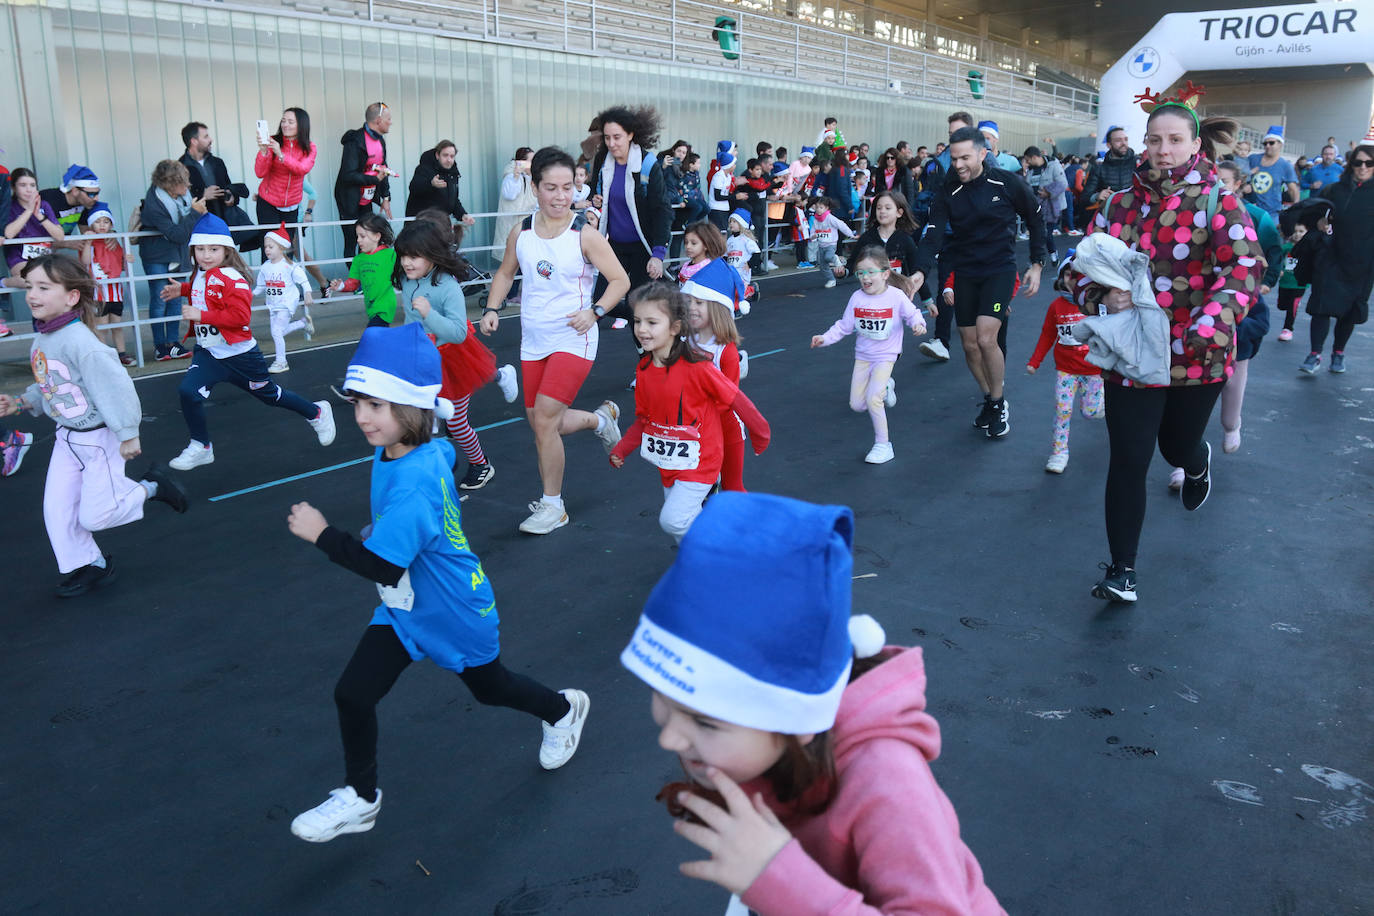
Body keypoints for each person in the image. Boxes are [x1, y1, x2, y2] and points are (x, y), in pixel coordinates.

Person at [620, 491, 1005, 916]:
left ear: (796, 722)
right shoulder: (770, 748)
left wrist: (777, 879)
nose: (670, 737)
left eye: (705, 722)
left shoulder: (887, 785)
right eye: (663, 697)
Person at [285, 322, 590, 843]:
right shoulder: (406, 449)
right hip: (405, 605)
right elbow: (442, 461)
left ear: (410, 408)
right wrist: (385, 532)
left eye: (376, 406)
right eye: (358, 402)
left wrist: (323, 535)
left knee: (491, 689)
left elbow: (380, 565)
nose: (361, 416)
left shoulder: (415, 481)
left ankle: (564, 709)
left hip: (453, 606)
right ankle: (360, 798)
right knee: (353, 694)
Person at [1073, 88, 1255, 603]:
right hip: (1132, 354)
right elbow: (1081, 264)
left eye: (1175, 140)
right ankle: (1121, 570)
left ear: (1195, 143)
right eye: (1155, 140)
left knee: (1174, 446)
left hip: (1197, 358)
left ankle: (1196, 461)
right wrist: (1099, 297)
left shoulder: (1218, 199)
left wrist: (1203, 331)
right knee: (1128, 458)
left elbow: (1244, 270)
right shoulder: (1118, 203)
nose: (1163, 150)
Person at [0, 256, 188, 598]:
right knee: (57, 511)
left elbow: (117, 389)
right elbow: (51, 383)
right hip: (66, 439)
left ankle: (152, 487)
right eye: (29, 287)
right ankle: (89, 565)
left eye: (44, 287)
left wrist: (128, 433)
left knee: (95, 516)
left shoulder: (83, 344)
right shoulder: (42, 338)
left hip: (98, 439)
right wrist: (21, 402)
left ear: (71, 297)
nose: (32, 294)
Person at [480, 146, 629, 535]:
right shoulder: (523, 231)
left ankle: (552, 506)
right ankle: (601, 419)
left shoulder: (585, 235)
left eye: (568, 187)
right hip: (534, 340)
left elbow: (620, 280)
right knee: (541, 423)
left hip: (574, 338)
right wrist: (493, 308)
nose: (561, 196)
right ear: (535, 188)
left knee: (545, 419)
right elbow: (505, 273)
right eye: (551, 188)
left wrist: (595, 312)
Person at [162, 213, 335, 471]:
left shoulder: (234, 279)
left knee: (270, 396)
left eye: (213, 249)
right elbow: (204, 288)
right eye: (200, 249)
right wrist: (184, 289)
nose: (206, 255)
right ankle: (201, 446)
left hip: (241, 356)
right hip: (209, 353)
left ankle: (317, 413)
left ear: (226, 250)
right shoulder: (200, 272)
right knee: (188, 391)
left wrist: (202, 315)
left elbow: (240, 318)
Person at [608, 284, 769, 542]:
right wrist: (622, 448)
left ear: (674, 327)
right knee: (681, 527)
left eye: (651, 322)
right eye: (637, 321)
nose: (641, 329)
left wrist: (760, 433)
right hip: (670, 464)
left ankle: (721, 546)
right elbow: (644, 418)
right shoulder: (644, 370)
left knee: (673, 520)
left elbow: (735, 398)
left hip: (702, 461)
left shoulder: (698, 368)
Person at [913, 127, 1046, 439]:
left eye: (965, 158)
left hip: (999, 270)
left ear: (983, 154)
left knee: (987, 339)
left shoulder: (1006, 182)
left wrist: (1037, 264)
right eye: (953, 158)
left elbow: (1036, 217)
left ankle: (999, 403)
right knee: (970, 344)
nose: (958, 164)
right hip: (967, 272)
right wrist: (920, 271)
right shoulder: (948, 191)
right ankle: (989, 398)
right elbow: (933, 232)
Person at [393, 220, 499, 491]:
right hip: (420, 357)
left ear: (431, 255)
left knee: (457, 421)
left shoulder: (448, 287)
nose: (406, 262)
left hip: (451, 359)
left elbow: (458, 332)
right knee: (417, 418)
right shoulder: (408, 280)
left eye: (414, 256)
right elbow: (409, 318)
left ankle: (481, 464)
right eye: (403, 255)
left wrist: (430, 313)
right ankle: (434, 467)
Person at [811, 245, 925, 465]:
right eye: (860, 273)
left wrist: (918, 324)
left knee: (873, 400)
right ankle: (886, 388)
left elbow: (912, 314)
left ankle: (883, 445)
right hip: (863, 356)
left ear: (885, 274)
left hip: (886, 355)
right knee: (857, 404)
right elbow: (844, 326)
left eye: (870, 272)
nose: (865, 278)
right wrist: (825, 338)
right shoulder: (857, 298)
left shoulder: (896, 296)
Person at [1209, 160, 1279, 455]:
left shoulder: (1258, 216)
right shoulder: (1203, 210)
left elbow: (1273, 250)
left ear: (1238, 184)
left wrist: (1267, 281)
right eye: (1215, 180)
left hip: (1241, 315)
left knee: (1233, 390)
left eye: (1225, 181)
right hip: (1205, 319)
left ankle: (1231, 424)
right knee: (1189, 402)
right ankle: (1184, 459)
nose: (1219, 186)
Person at [589, 105, 670, 330]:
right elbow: (596, 192)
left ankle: (648, 351)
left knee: (639, 308)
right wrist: (595, 202)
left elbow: (662, 209)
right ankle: (648, 315)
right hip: (614, 244)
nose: (612, 143)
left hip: (643, 247)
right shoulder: (603, 160)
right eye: (607, 138)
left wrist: (658, 255)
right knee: (601, 302)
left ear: (631, 135)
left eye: (617, 137)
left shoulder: (647, 164)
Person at [1297, 142, 1374, 375]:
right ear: (1351, 164)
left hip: (1362, 262)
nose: (1363, 167)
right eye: (1358, 162)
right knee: (1321, 306)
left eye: (1369, 163)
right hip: (1331, 257)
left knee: (1349, 311)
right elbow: (1313, 212)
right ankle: (1315, 353)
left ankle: (1338, 353)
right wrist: (1318, 222)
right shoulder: (1335, 189)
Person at [1026, 260, 1104, 474]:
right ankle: (1059, 452)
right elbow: (1047, 335)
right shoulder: (1056, 307)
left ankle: (1099, 402)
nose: (1074, 280)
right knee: (1062, 410)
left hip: (1094, 371)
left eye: (1080, 276)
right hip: (1066, 370)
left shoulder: (1097, 304)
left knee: (1090, 412)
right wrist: (1035, 362)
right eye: (1070, 275)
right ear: (1062, 278)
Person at [682, 259, 750, 491]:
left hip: (726, 430)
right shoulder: (683, 342)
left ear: (718, 308)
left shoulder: (726, 351)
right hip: (693, 430)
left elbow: (729, 398)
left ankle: (744, 525)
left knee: (732, 487)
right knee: (697, 488)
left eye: (699, 302)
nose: (691, 307)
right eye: (689, 300)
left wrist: (696, 411)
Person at [139, 160, 206, 360]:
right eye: (182, 183)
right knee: (160, 300)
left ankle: (174, 342)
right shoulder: (154, 204)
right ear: (169, 183)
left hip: (178, 255)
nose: (187, 187)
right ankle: (161, 346)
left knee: (177, 298)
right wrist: (195, 213)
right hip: (157, 256)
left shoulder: (183, 197)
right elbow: (177, 234)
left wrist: (194, 212)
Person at [334, 102, 395, 258]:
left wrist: (386, 197)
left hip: (367, 199)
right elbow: (347, 175)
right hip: (349, 199)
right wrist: (374, 180)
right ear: (378, 120)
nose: (391, 122)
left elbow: (383, 169)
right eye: (388, 118)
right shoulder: (355, 141)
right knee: (352, 240)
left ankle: (366, 277)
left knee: (367, 239)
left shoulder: (380, 140)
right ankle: (355, 280)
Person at [254, 107, 317, 254]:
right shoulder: (273, 142)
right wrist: (264, 151)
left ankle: (285, 277)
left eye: (290, 122)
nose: (285, 125)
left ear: (301, 125)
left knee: (286, 247)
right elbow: (260, 172)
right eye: (283, 121)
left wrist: (281, 155)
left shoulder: (310, 147)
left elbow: (302, 169)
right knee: (269, 248)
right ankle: (267, 277)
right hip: (268, 202)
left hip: (292, 205)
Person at [253, 223, 314, 373]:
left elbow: (304, 281)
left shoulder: (290, 266)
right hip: (273, 304)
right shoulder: (265, 266)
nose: (267, 249)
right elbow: (260, 287)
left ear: (281, 247)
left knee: (276, 332)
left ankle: (281, 362)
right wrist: (249, 294)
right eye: (266, 246)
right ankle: (302, 322)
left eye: (271, 246)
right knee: (279, 331)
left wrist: (307, 293)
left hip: (287, 303)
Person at [179, 122, 253, 241]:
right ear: (194, 141)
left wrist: (231, 197)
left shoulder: (217, 162)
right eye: (206, 136)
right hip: (199, 230)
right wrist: (203, 195)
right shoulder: (180, 167)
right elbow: (179, 201)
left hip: (223, 227)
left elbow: (227, 186)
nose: (210, 139)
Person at [80, 202, 134, 366]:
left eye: (106, 222)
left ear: (111, 224)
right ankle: (104, 356)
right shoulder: (88, 241)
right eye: (98, 221)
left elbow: (121, 264)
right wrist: (88, 243)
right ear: (91, 224)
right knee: (101, 326)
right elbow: (85, 262)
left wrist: (128, 259)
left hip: (115, 290)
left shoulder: (113, 241)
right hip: (98, 293)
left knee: (117, 324)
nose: (102, 225)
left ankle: (121, 354)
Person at [329, 213, 398, 328]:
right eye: (357, 236)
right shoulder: (358, 259)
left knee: (371, 334)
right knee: (379, 339)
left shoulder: (390, 255)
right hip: (370, 307)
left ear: (377, 236)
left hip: (385, 306)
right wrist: (341, 286)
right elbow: (354, 283)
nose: (358, 240)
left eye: (362, 236)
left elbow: (404, 273)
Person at [4, 168, 66, 285]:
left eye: (32, 185)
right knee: (32, 280)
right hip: (19, 257)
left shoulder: (44, 205)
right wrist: (29, 211)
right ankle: (4, 282)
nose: (29, 190)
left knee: (57, 281)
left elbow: (60, 236)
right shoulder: (10, 207)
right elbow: (9, 233)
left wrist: (39, 215)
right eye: (23, 185)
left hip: (45, 256)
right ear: (13, 188)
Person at [406, 140, 476, 227]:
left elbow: (453, 201)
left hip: (441, 225)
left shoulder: (453, 174)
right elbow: (414, 188)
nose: (449, 159)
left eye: (452, 156)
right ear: (437, 155)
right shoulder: (424, 169)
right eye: (445, 155)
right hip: (420, 227)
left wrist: (462, 215)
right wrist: (431, 184)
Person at [1079, 126, 1136, 224]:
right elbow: (1084, 198)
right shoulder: (1099, 169)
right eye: (1118, 140)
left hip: (1133, 219)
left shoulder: (1138, 165)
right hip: (1109, 220)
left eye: (1125, 139)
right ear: (1109, 145)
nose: (1124, 143)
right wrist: (1097, 196)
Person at [1022, 146, 1067, 265]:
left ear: (1034, 157)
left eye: (1028, 160)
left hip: (1052, 209)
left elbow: (1063, 183)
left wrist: (1049, 192)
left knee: (1047, 235)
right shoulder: (1030, 172)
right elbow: (1026, 188)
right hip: (1036, 208)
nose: (1027, 162)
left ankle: (1053, 254)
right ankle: (1037, 260)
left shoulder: (1053, 166)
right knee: (1036, 235)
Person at [1246, 126, 1299, 219]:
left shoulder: (1285, 165)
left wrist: (1296, 210)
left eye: (1271, 143)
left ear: (1280, 144)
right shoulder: (1253, 159)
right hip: (1250, 210)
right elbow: (1238, 174)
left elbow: (1293, 190)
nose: (1267, 146)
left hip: (1272, 213)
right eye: (1265, 143)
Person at [38, 164, 101, 242]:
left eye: (97, 193)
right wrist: (67, 244)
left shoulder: (87, 203)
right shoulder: (47, 200)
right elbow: (36, 236)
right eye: (91, 194)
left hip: (54, 250)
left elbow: (86, 233)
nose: (97, 199)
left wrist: (109, 235)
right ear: (75, 191)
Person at [807, 197, 854, 288]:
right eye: (817, 207)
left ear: (826, 208)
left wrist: (851, 234)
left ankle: (835, 258)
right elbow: (813, 229)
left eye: (821, 208)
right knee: (823, 267)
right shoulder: (816, 219)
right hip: (821, 245)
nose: (818, 210)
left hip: (831, 244)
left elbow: (841, 225)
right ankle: (831, 280)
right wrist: (812, 236)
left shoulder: (830, 218)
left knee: (828, 257)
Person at [1275, 217, 1308, 342]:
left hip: (1300, 283)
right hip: (1285, 282)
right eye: (1295, 231)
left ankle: (1288, 329)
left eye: (1301, 231)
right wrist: (1279, 269)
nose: (1298, 234)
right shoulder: (1287, 247)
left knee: (1291, 306)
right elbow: (1277, 258)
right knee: (1282, 305)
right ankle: (1284, 303)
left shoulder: (1308, 247)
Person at [723, 209, 761, 304]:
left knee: (740, 294)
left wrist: (750, 264)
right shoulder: (729, 240)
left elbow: (757, 253)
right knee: (730, 292)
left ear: (741, 224)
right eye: (730, 221)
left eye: (734, 221)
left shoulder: (746, 240)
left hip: (743, 271)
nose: (731, 224)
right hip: (731, 271)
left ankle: (751, 289)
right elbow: (725, 255)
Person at [676, 220, 726, 287]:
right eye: (686, 242)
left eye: (694, 243)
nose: (688, 246)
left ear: (706, 245)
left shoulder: (708, 268)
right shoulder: (685, 265)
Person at [708, 144, 736, 231]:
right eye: (734, 164)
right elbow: (718, 196)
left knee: (724, 233)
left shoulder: (727, 176)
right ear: (729, 165)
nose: (735, 166)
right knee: (717, 235)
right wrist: (735, 197)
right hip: (716, 209)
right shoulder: (719, 176)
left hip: (724, 208)